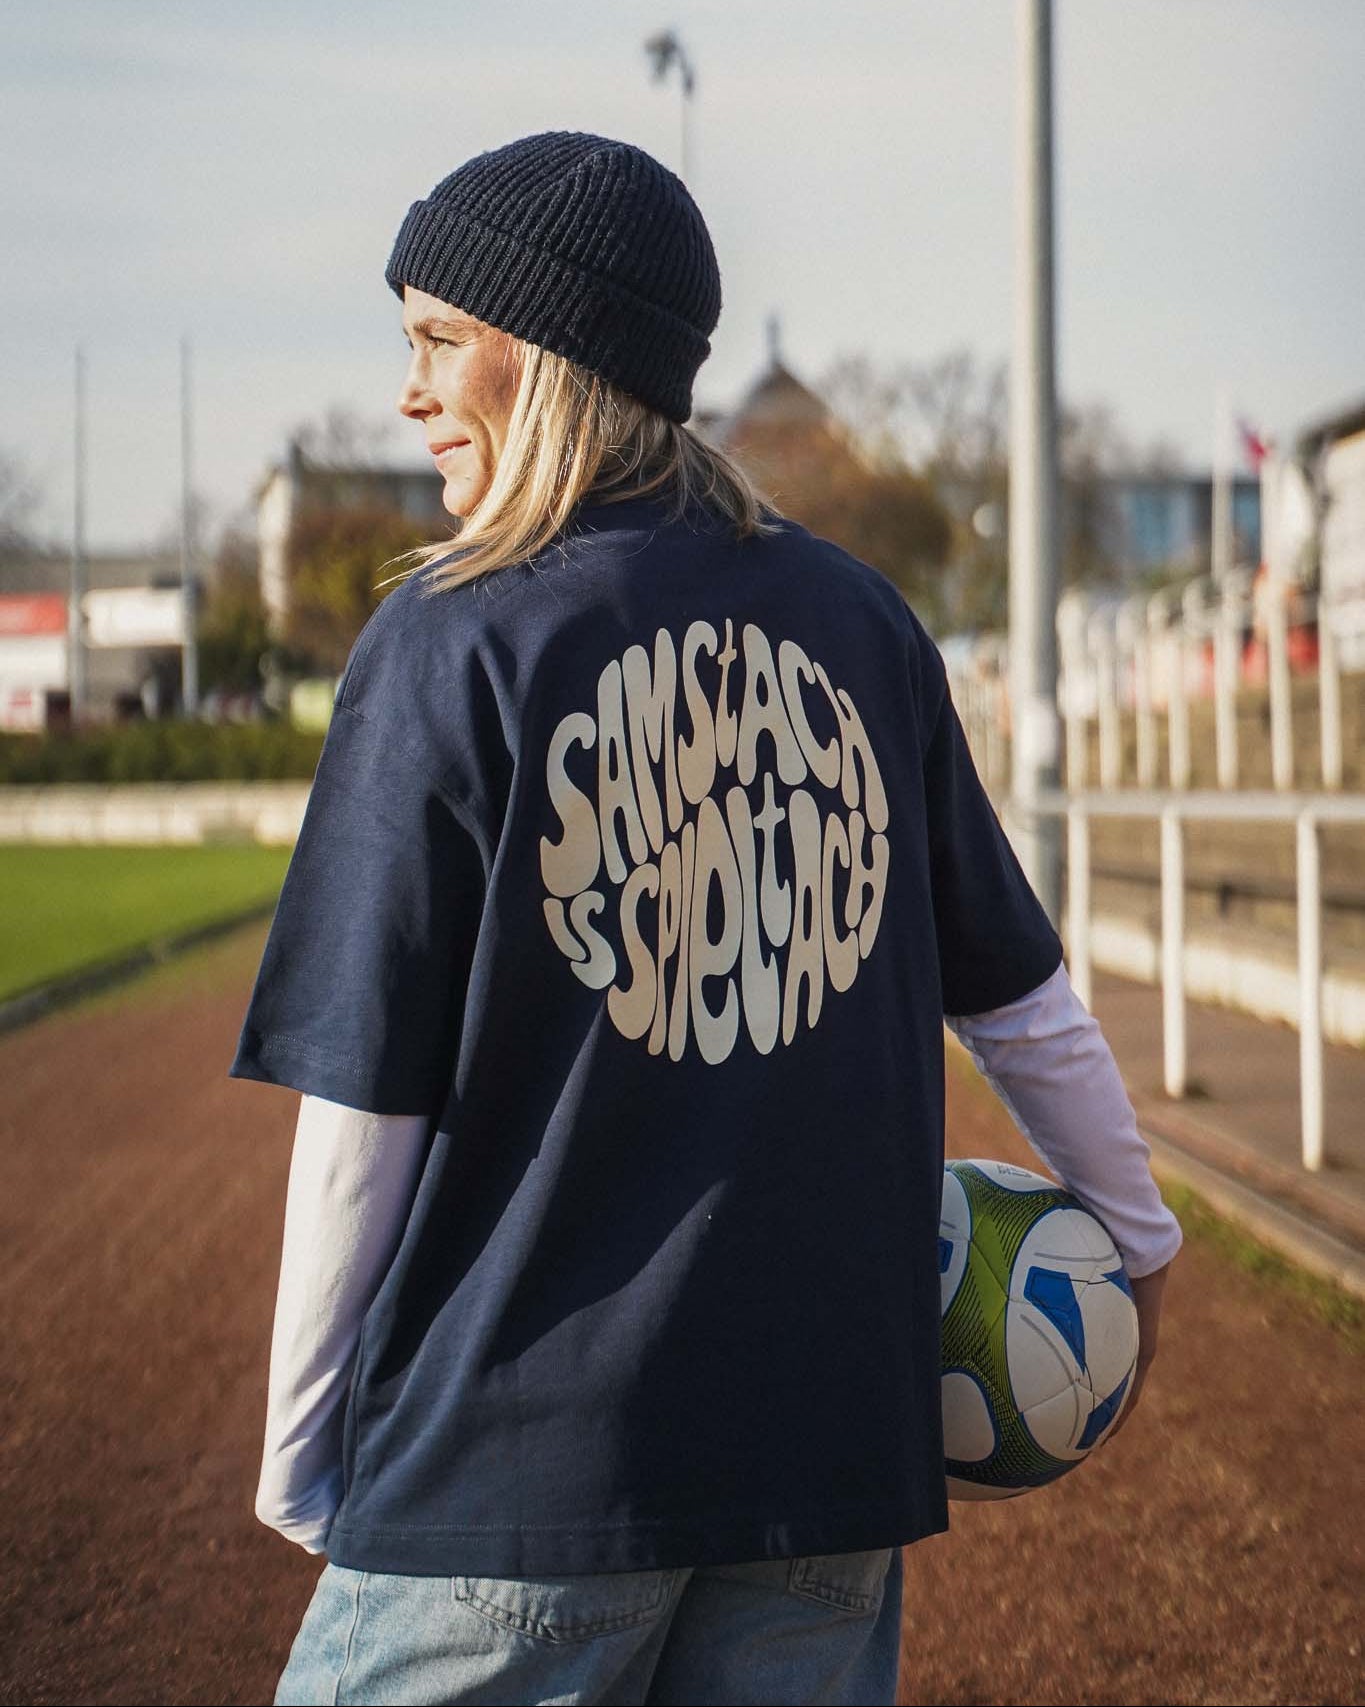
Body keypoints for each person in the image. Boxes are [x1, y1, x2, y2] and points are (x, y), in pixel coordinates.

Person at [229, 131, 1181, 1707]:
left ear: (539, 356)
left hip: (514, 1478)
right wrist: (1135, 1240)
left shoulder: (448, 642)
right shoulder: (865, 624)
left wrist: (300, 1455)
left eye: (433, 342)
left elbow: (364, 1113)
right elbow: (1017, 997)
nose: (405, 396)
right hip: (819, 1470)